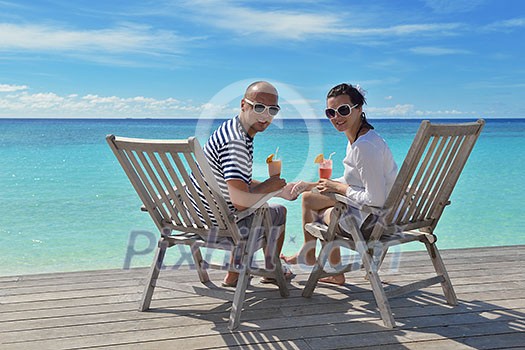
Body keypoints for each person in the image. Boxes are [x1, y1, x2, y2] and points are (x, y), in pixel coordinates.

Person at [282, 83, 398, 285]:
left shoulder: (365, 147)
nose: (336, 117)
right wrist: (310, 185)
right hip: (387, 214)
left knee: (318, 213)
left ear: (359, 109)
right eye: (330, 112)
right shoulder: (361, 139)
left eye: (343, 110)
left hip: (376, 221)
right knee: (309, 197)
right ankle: (315, 259)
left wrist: (338, 188)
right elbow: (356, 180)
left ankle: (325, 264)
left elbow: (375, 199)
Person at [189, 81, 296, 287]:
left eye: (272, 109)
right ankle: (271, 269)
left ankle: (234, 274)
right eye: (258, 107)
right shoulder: (237, 142)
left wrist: (278, 190)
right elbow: (240, 202)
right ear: (243, 105)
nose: (265, 115)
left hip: (195, 219)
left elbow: (236, 183)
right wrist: (271, 184)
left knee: (264, 206)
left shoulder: (229, 129)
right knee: (278, 213)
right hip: (220, 227)